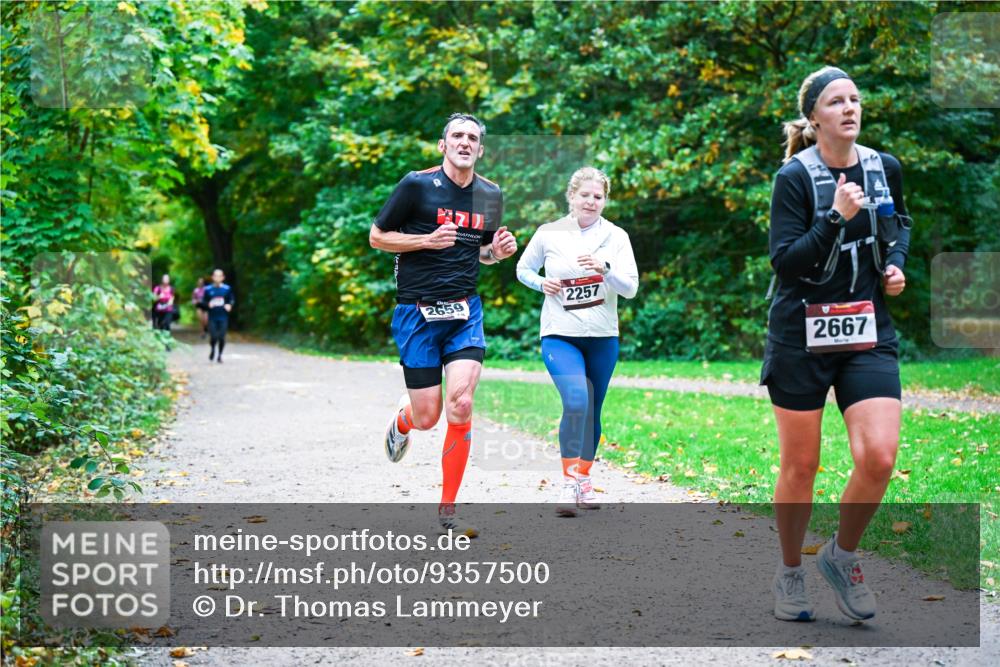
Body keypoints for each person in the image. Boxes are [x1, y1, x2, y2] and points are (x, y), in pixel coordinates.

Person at [762, 66, 911, 623]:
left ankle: (841, 557)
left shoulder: (883, 167)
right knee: (801, 467)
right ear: (814, 117)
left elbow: (899, 224)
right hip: (801, 333)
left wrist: (894, 265)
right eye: (835, 101)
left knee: (879, 457)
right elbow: (786, 260)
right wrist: (834, 217)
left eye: (855, 99)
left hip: (866, 332)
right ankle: (790, 572)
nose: (850, 108)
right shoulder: (795, 177)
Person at [370, 113, 517, 537]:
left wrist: (498, 252)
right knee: (429, 416)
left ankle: (448, 509)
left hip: (464, 312)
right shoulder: (416, 185)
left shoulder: (490, 194)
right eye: (458, 135)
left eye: (473, 137)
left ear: (481, 149)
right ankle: (403, 419)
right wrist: (424, 240)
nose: (465, 142)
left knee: (462, 404)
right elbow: (378, 237)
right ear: (443, 144)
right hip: (416, 312)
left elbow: (482, 252)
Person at [516, 167, 638, 517]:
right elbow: (523, 270)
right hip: (559, 334)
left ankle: (584, 479)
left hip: (602, 337)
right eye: (585, 195)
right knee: (576, 400)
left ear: (605, 200)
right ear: (571, 196)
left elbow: (630, 289)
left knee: (593, 409)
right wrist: (542, 284)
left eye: (598, 196)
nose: (591, 201)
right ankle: (568, 482)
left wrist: (605, 269)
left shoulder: (616, 236)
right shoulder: (549, 233)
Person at [201, 269, 234, 363]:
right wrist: (208, 305)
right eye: (216, 276)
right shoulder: (208, 289)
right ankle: (212, 349)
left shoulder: (227, 289)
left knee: (222, 337)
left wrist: (229, 305)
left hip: (223, 317)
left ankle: (220, 355)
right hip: (212, 317)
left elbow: (231, 299)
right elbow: (203, 302)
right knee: (214, 337)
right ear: (212, 277)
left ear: (223, 277)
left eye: (220, 276)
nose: (217, 278)